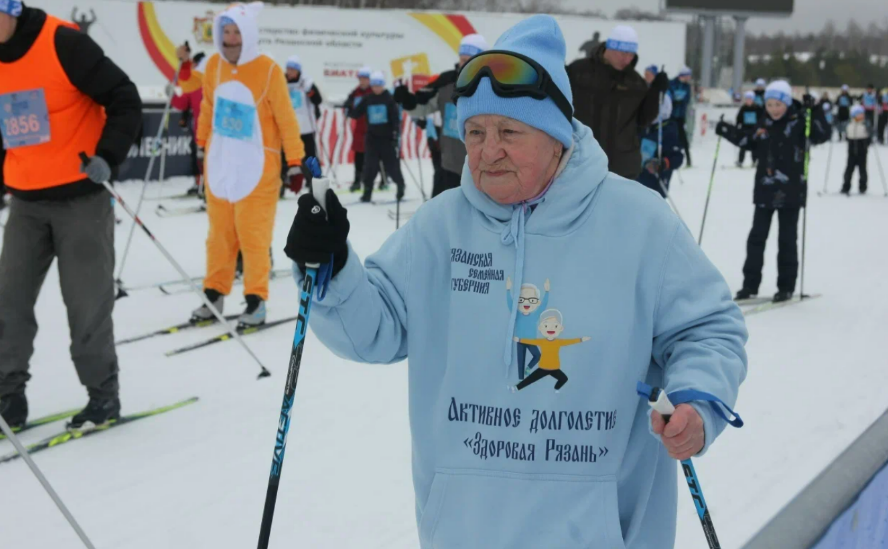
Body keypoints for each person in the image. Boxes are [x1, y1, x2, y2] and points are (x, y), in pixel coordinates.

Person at [284, 15, 747, 548]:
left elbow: (708, 330)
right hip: (464, 532)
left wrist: (697, 401)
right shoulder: (439, 227)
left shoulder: (641, 223)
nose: (488, 151)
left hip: (600, 533)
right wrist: (331, 265)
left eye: (509, 132)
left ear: (557, 136)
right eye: (475, 132)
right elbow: (372, 329)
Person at [0, 0, 141, 430]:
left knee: (86, 305)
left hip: (80, 200)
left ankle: (103, 396)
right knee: (9, 302)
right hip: (25, 202)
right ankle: (8, 398)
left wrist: (108, 156)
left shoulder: (62, 42)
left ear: (11, 9)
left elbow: (124, 97)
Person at [191, 2, 304, 328]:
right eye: (226, 32)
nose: (230, 39)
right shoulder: (214, 65)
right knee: (219, 238)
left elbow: (285, 118)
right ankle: (214, 294)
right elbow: (207, 108)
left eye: (236, 32)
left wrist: (295, 161)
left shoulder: (268, 69)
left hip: (257, 169)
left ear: (248, 34)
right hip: (221, 166)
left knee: (254, 238)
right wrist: (201, 145)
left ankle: (256, 301)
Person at [716, 81, 830, 303]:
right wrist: (726, 130)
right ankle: (750, 285)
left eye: (778, 104)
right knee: (756, 238)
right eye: (769, 104)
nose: (774, 109)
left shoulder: (800, 122)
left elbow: (822, 134)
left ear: (786, 103)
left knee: (787, 240)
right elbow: (747, 139)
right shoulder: (764, 123)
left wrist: (815, 110)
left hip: (791, 192)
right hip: (765, 191)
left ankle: (786, 286)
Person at [393, 33, 488, 197]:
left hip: (480, 167)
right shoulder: (446, 81)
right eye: (462, 59)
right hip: (449, 164)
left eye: (469, 60)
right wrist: (406, 100)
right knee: (441, 208)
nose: (464, 64)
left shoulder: (491, 85)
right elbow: (422, 106)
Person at [567, 24, 665, 179]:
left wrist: (655, 91)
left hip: (622, 169)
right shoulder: (579, 72)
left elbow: (643, 120)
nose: (627, 59)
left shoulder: (635, 82)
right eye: (623, 53)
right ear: (610, 47)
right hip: (580, 163)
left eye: (631, 55)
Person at [345, 71, 404, 203]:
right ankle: (367, 193)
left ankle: (400, 187)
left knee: (392, 166)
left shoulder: (389, 99)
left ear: (383, 85)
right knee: (370, 168)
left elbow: (395, 119)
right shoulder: (368, 99)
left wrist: (396, 136)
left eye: (379, 85)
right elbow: (356, 114)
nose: (376, 88)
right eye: (374, 86)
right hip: (372, 139)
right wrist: (348, 107)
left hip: (387, 139)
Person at [281, 54, 323, 196]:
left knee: (309, 157)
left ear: (298, 71)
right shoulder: (281, 82)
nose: (290, 72)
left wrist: (309, 91)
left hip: (306, 128)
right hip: (288, 129)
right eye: (288, 69)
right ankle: (282, 185)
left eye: (293, 70)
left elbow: (318, 100)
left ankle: (315, 184)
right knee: (285, 157)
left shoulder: (306, 82)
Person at [171, 43, 207, 195]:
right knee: (196, 158)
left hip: (214, 129)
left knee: (210, 159)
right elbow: (182, 103)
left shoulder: (212, 82)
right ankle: (199, 183)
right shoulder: (194, 84)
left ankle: (209, 186)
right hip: (198, 129)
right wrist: (172, 95)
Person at [637, 91, 683, 197]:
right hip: (637, 182)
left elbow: (677, 157)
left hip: (655, 187)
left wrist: (662, 164)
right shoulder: (643, 128)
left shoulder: (668, 131)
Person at [345, 66, 373, 192]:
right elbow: (350, 106)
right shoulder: (355, 92)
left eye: (365, 79)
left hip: (373, 128)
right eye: (361, 79)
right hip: (359, 128)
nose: (362, 81)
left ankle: (380, 179)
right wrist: (348, 106)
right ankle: (357, 180)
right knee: (359, 155)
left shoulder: (374, 91)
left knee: (374, 155)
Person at [669, 66, 693, 167]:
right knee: (671, 138)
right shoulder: (672, 83)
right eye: (688, 76)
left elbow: (686, 100)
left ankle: (688, 160)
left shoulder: (687, 86)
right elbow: (669, 97)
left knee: (683, 138)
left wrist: (679, 100)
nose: (689, 78)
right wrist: (676, 100)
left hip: (680, 117)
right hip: (671, 117)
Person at [842, 105, 869, 195]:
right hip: (852, 149)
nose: (862, 116)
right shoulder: (849, 124)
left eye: (862, 114)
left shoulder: (865, 124)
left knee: (862, 170)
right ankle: (846, 186)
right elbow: (845, 132)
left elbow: (870, 133)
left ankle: (863, 187)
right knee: (849, 170)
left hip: (862, 149)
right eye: (859, 114)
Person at [735, 90, 763, 167]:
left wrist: (760, 127)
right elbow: (739, 118)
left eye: (750, 99)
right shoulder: (743, 108)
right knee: (743, 145)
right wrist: (737, 126)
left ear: (753, 99)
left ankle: (754, 161)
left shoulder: (757, 108)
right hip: (744, 129)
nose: (749, 101)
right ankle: (740, 161)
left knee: (754, 146)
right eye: (747, 99)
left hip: (754, 130)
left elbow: (761, 119)